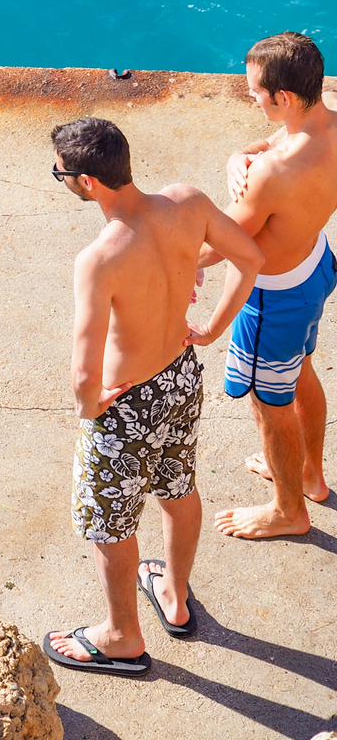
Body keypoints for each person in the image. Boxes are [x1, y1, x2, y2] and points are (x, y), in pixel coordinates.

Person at [44, 118, 262, 677]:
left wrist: (88, 406)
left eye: (60, 174)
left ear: (87, 181)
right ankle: (175, 594)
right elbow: (250, 258)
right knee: (178, 486)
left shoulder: (100, 257)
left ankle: (120, 638)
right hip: (180, 377)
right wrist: (212, 328)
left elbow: (83, 364)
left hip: (125, 407)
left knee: (109, 525)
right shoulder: (186, 202)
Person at [208, 32, 337, 538]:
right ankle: (310, 475)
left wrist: (169, 262)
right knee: (300, 371)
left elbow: (222, 244)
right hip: (315, 267)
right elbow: (280, 143)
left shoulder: (274, 173)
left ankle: (288, 511)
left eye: (256, 93)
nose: (252, 98)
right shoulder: (326, 122)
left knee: (271, 403)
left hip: (273, 299)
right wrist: (237, 156)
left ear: (283, 97)